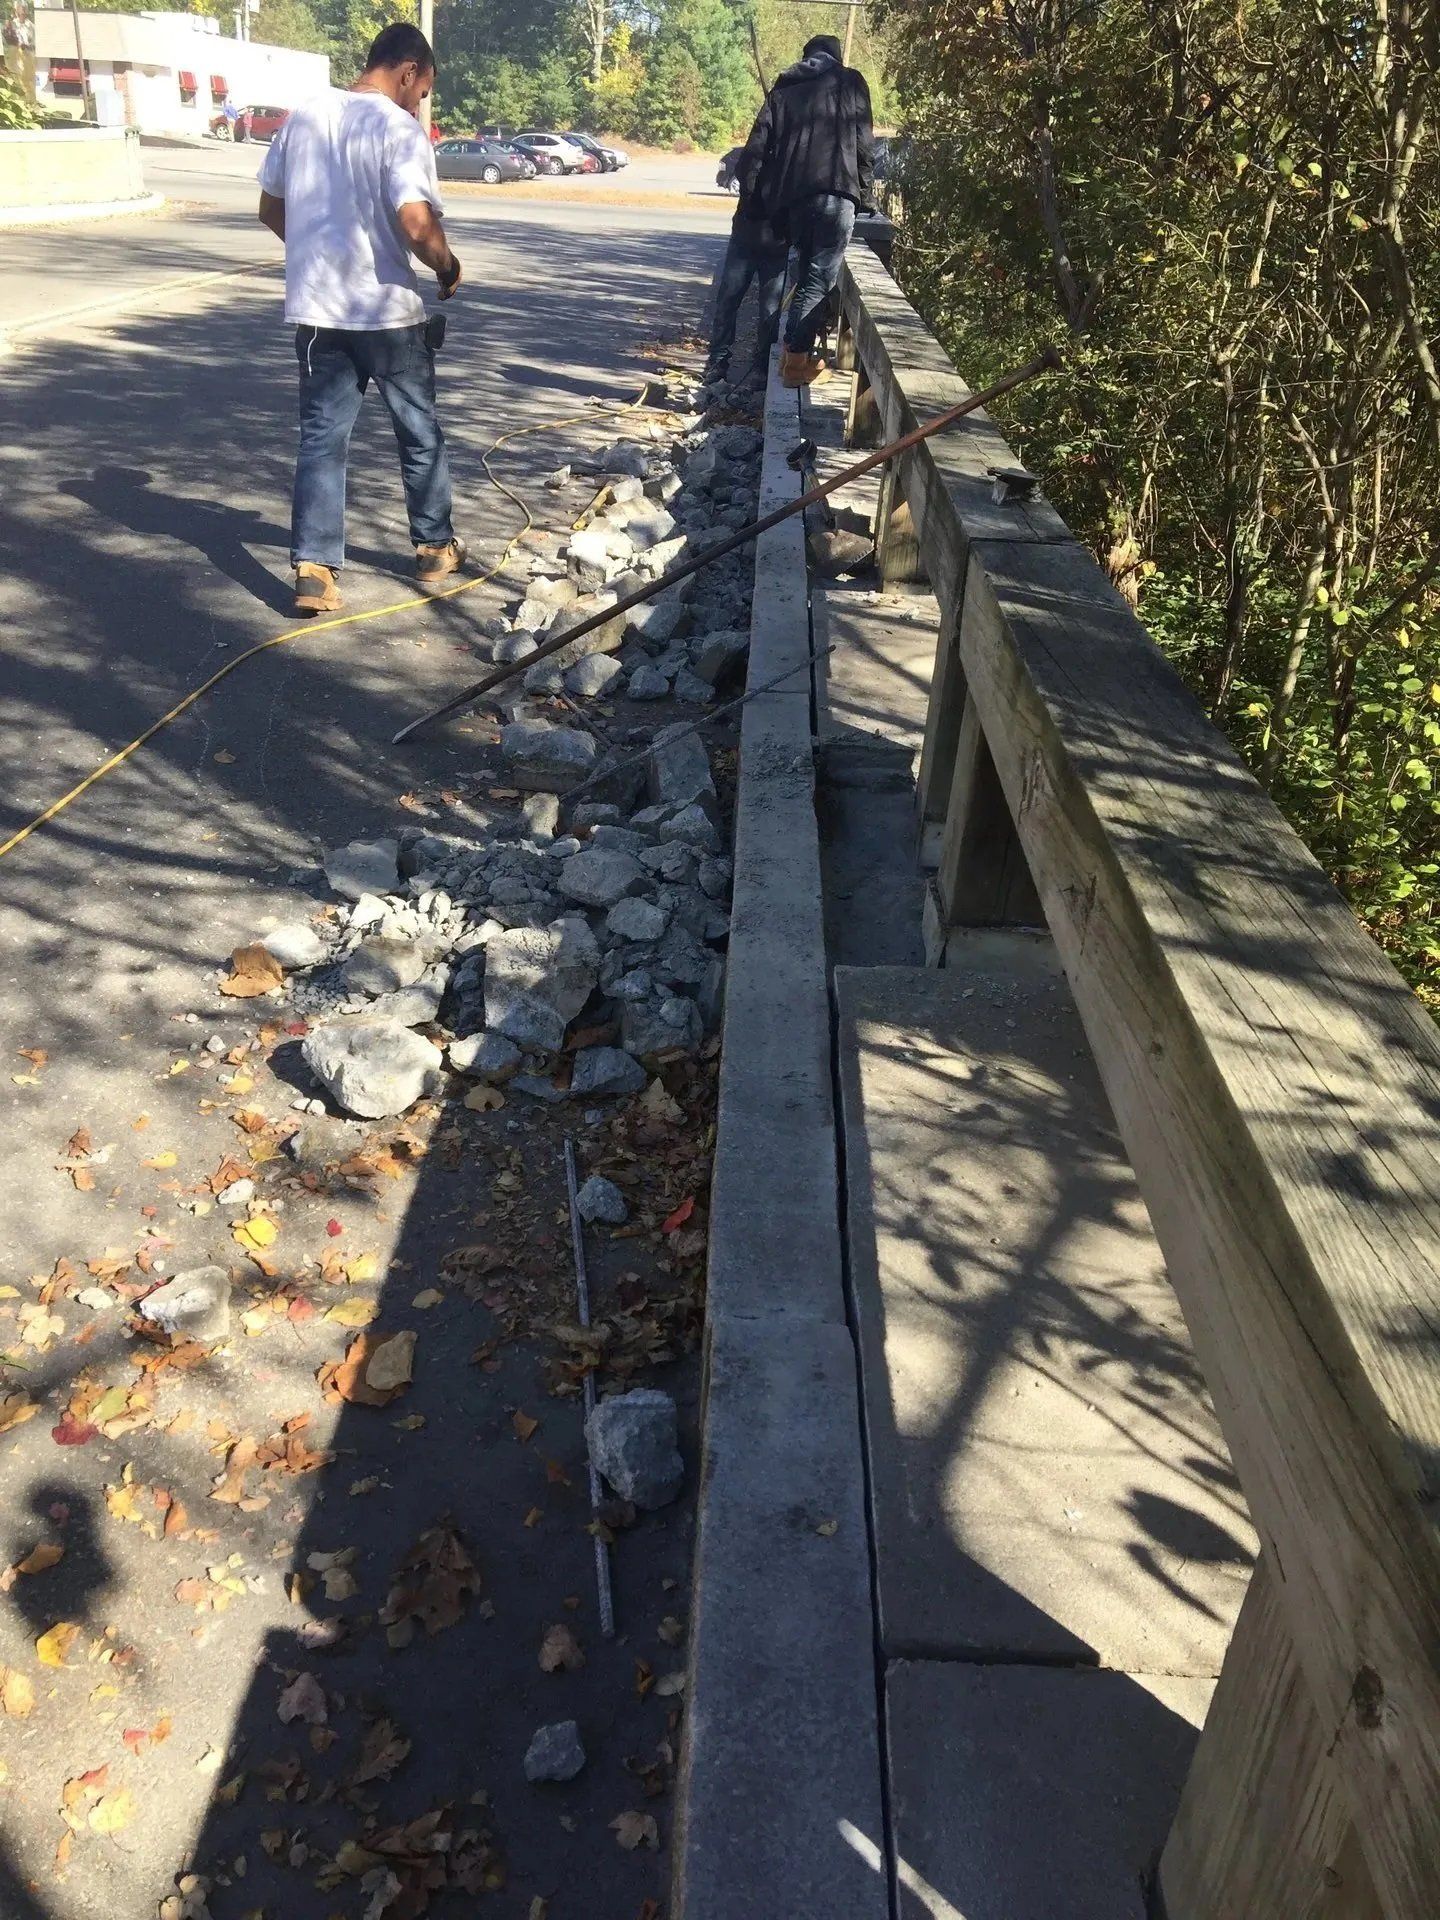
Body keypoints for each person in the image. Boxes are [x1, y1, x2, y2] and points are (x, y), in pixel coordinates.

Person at [256, 23, 465, 617]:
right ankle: (432, 550)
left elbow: (272, 207)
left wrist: (316, 255)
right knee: (418, 432)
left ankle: (314, 571)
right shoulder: (399, 130)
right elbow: (416, 223)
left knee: (322, 441)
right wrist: (448, 267)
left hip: (320, 315)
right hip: (389, 315)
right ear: (407, 72)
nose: (420, 101)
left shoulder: (302, 116)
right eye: (422, 90)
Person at [737, 32, 874, 389]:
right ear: (836, 56)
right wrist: (867, 193)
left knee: (806, 272)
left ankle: (790, 356)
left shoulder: (783, 87)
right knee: (819, 278)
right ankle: (796, 361)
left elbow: (755, 150)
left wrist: (756, 201)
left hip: (794, 202)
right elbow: (862, 142)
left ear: (807, 56)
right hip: (836, 193)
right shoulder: (851, 81)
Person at [704, 187, 788, 388]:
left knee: (770, 310)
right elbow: (750, 187)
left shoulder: (793, 158)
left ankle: (761, 366)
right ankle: (718, 361)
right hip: (746, 239)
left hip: (777, 244)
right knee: (728, 301)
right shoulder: (755, 155)